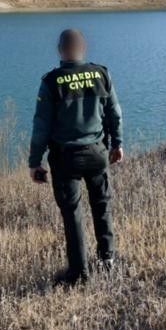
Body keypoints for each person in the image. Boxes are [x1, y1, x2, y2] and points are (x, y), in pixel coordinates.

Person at [29, 29, 124, 285]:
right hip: (97, 152)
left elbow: (41, 125)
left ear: (60, 50)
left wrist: (34, 161)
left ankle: (79, 273)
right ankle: (108, 259)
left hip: (65, 158)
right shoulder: (101, 74)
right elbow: (114, 112)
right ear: (84, 47)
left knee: (72, 214)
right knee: (102, 206)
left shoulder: (51, 81)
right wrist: (118, 143)